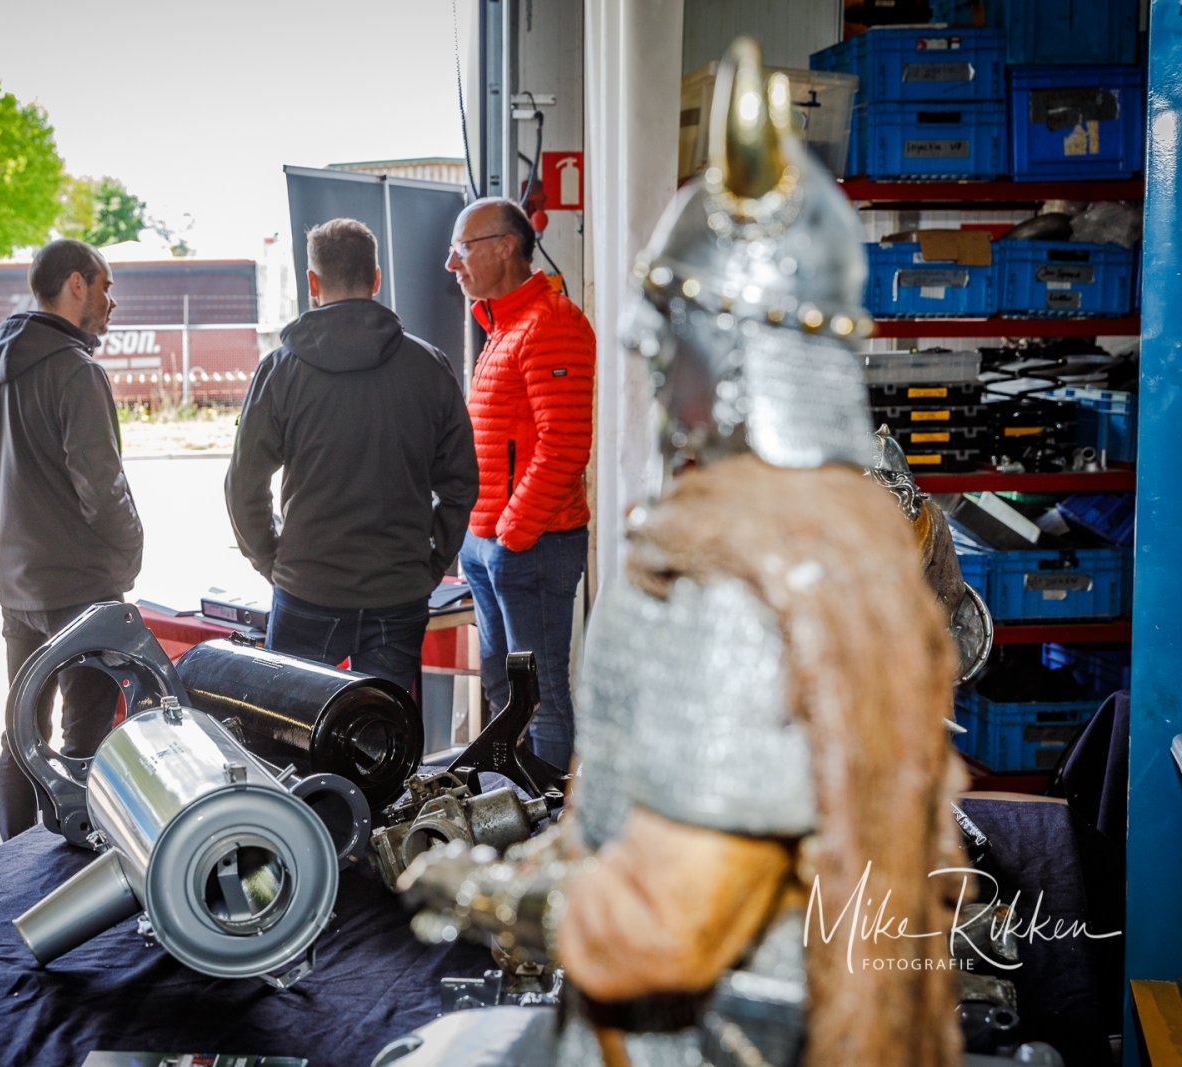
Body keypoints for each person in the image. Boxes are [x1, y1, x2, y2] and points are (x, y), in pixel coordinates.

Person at [402, 42, 967, 1066]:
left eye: (670, 341)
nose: (656, 369)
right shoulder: (845, 530)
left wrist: (484, 889)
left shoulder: (734, 586)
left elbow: (669, 923)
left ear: (730, 348)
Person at [225, 218, 476, 691]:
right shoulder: (428, 366)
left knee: (291, 727)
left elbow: (243, 485)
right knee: (385, 729)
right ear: (376, 279)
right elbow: (461, 483)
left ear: (312, 283)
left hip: (307, 587)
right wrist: (431, 563)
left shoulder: (280, 371)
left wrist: (274, 562)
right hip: (398, 591)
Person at [0, 239, 142, 840]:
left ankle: (9, 863)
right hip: (82, 588)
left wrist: (27, 521)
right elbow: (102, 490)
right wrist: (127, 557)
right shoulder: (77, 372)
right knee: (84, 741)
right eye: (106, 286)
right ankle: (71, 868)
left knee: (22, 730)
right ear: (76, 285)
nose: (112, 301)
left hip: (18, 588)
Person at [445, 195, 595, 769]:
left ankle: (552, 814)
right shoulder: (504, 325)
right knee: (503, 691)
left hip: (531, 545)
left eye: (462, 249)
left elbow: (564, 447)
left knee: (541, 698)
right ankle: (511, 802)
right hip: (491, 542)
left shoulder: (551, 324)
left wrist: (512, 535)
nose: (451, 264)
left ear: (506, 246)